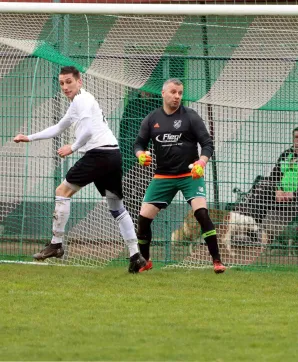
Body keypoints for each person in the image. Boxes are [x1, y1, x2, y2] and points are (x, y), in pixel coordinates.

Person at [13, 66, 145, 273]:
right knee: (117, 208)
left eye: (69, 82)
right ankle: (135, 255)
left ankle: (56, 244)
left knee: (62, 192)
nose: (65, 87)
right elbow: (59, 127)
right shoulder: (79, 101)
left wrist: (72, 147)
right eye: (62, 83)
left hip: (99, 155)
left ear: (79, 81)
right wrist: (28, 137)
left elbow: (89, 131)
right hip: (112, 155)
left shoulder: (82, 100)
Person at [133, 78, 225, 273]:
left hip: (189, 174)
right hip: (163, 177)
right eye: (173, 92)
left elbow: (207, 144)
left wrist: (201, 161)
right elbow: (138, 144)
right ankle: (145, 261)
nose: (177, 96)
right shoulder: (151, 119)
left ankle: (217, 261)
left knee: (201, 213)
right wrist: (141, 155)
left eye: (180, 93)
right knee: (143, 219)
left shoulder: (190, 116)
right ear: (163, 93)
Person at [222, 126, 298, 252]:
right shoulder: (286, 154)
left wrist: (294, 194)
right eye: (297, 137)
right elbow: (275, 175)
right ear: (293, 140)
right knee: (263, 185)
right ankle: (246, 225)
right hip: (280, 193)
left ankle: (246, 227)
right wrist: (277, 190)